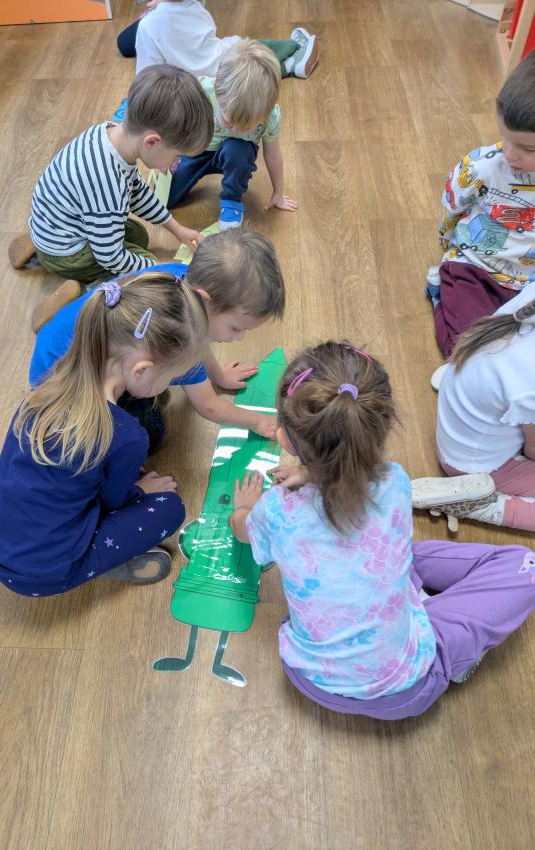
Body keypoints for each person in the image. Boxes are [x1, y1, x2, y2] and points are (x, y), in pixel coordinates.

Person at [229, 341, 535, 720]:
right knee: (524, 565)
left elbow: (242, 532)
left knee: (387, 558)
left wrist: (244, 510)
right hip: (406, 691)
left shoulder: (275, 510)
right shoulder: (396, 482)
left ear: (284, 438)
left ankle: (424, 611)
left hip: (309, 678)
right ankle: (436, 627)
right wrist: (311, 473)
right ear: (386, 424)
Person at [0, 273, 207, 597]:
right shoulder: (127, 436)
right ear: (141, 369)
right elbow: (112, 501)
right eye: (170, 378)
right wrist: (140, 490)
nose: (167, 386)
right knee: (170, 508)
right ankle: (97, 563)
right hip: (43, 574)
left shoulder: (42, 391)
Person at [29, 229, 285, 449]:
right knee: (148, 433)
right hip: (60, 384)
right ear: (205, 299)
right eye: (236, 328)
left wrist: (218, 377)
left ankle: (63, 307)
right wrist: (259, 422)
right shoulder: (180, 336)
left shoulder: (179, 281)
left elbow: (203, 343)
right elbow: (208, 406)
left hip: (69, 334)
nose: (239, 338)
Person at [7, 65, 214, 331]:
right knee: (141, 274)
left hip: (55, 222)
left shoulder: (112, 136)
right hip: (67, 250)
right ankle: (78, 296)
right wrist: (158, 266)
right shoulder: (107, 182)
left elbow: (137, 192)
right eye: (177, 155)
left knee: (138, 235)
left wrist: (176, 228)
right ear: (152, 141)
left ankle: (40, 243)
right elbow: (111, 257)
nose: (177, 163)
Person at [428, 50, 535, 357]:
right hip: (476, 268)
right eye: (505, 138)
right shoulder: (481, 167)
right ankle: (441, 293)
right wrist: (447, 247)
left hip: (529, 283)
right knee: (467, 349)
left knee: (519, 357)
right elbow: (453, 210)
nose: (510, 155)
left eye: (527, 149)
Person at [414, 282, 535, 533]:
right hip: (472, 464)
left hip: (466, 426)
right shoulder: (529, 382)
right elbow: (533, 450)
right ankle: (479, 506)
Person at [167, 39, 297, 230]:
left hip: (235, 156)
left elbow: (273, 156)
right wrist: (172, 152)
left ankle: (232, 202)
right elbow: (176, 123)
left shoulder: (270, 116)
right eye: (229, 122)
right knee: (167, 200)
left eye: (246, 127)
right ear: (217, 89)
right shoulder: (203, 91)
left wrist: (278, 192)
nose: (235, 130)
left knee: (238, 149)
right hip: (195, 151)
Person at [116, 0, 318, 81]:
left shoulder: (147, 27)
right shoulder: (196, 7)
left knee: (247, 72)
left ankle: (288, 65)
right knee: (254, 50)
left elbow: (145, 80)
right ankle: (292, 50)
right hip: (222, 68)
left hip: (189, 90)